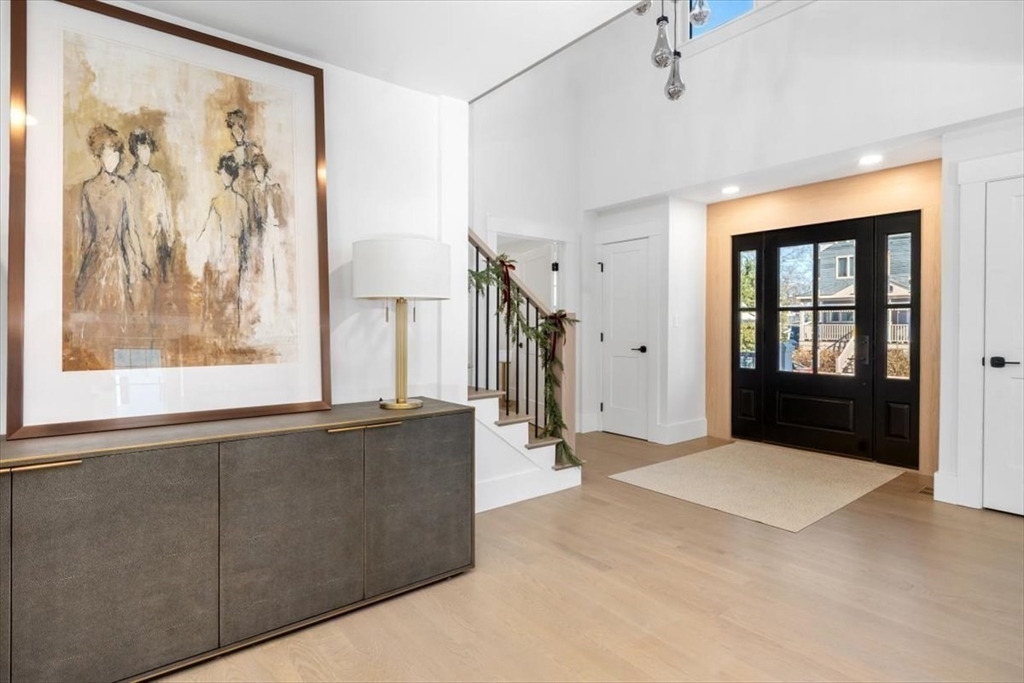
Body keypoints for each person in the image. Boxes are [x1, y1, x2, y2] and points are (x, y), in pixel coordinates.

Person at [74, 123, 147, 329]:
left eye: (116, 154)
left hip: (117, 262)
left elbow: (130, 231)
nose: (112, 160)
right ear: (98, 156)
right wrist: (81, 268)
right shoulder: (88, 189)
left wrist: (136, 265)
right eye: (108, 154)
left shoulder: (123, 188)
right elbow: (86, 233)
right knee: (91, 315)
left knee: (115, 317)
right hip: (94, 261)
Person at [195, 153, 249, 331]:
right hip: (218, 253)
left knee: (232, 293)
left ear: (232, 175)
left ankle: (232, 329)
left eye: (227, 173)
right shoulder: (216, 202)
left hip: (233, 253)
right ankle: (220, 330)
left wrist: (244, 257)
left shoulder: (242, 203)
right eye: (222, 174)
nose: (224, 177)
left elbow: (246, 235)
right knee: (219, 293)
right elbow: (208, 231)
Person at [126, 128, 173, 284]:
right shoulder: (127, 181)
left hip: (153, 244)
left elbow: (165, 216)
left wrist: (169, 242)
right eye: (142, 148)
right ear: (135, 150)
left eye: (148, 149)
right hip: (134, 243)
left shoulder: (157, 180)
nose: (146, 153)